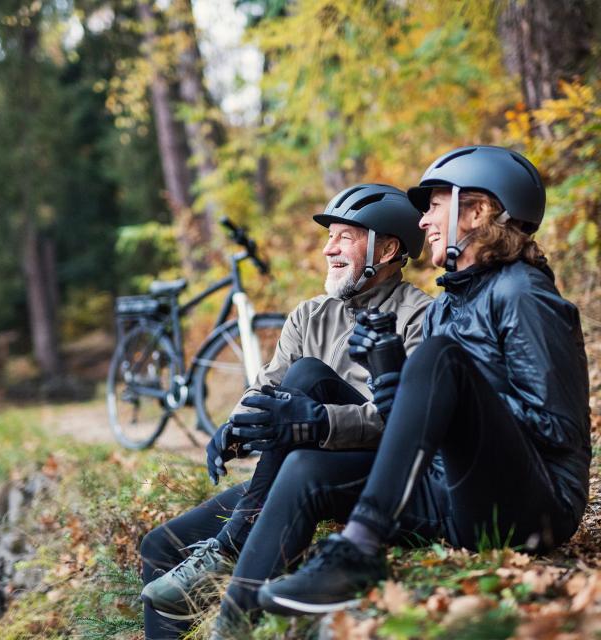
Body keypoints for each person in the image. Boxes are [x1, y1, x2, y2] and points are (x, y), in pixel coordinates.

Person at [254, 145, 591, 616]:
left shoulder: (523, 293)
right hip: (455, 496)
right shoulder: (445, 308)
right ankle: (231, 617)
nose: (423, 221)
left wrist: (455, 392)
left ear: (476, 211)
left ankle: (360, 549)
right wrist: (395, 384)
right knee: (305, 471)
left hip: (537, 508)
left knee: (440, 358)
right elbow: (420, 439)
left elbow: (559, 429)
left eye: (434, 206)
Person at [139, 184, 431, 639]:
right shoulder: (308, 315)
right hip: (294, 467)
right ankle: (222, 551)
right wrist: (236, 427)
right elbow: (267, 386)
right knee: (159, 545)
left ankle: (230, 546)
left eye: (345, 237)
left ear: (389, 248)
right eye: (329, 237)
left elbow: (408, 419)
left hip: (364, 469)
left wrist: (318, 421)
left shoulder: (419, 317)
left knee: (310, 376)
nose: (328, 248)